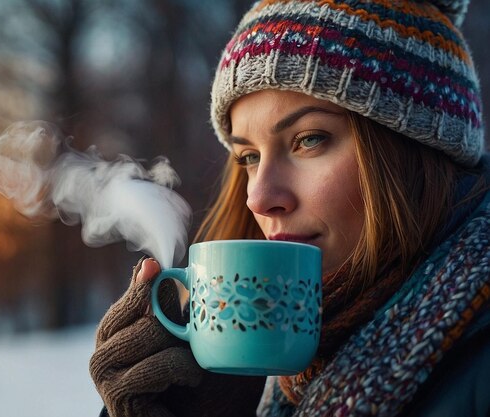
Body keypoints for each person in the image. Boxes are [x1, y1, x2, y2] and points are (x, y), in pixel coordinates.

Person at [90, 0, 490, 415]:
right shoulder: (291, 374)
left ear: (415, 149)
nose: (258, 198)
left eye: (309, 139)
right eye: (248, 157)